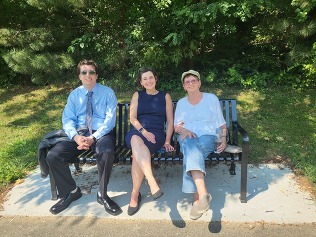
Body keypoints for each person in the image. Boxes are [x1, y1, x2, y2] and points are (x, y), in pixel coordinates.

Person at [46, 59, 122, 216]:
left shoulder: (108, 93)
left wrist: (93, 137)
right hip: (79, 133)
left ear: (97, 75)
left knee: (106, 152)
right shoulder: (74, 95)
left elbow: (109, 121)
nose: (88, 75)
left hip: (101, 133)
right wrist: (75, 137)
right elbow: (67, 119)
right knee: (53, 156)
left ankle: (102, 194)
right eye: (84, 72)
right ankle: (72, 191)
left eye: (92, 72)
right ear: (79, 76)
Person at [174, 70, 227, 220]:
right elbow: (177, 127)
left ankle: (199, 199)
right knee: (189, 143)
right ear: (184, 86)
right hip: (187, 135)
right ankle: (203, 196)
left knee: (191, 152)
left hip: (207, 137)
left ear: (199, 83)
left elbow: (222, 124)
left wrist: (223, 139)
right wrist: (185, 129)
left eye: (193, 81)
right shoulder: (182, 103)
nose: (190, 83)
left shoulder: (211, 99)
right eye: (187, 82)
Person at [125, 67, 174, 216]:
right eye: (144, 79)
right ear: (141, 82)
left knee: (137, 155)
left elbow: (171, 121)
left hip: (156, 135)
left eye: (150, 77)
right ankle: (151, 181)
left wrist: (166, 141)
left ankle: (134, 194)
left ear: (155, 78)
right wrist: (144, 132)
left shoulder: (165, 96)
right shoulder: (137, 95)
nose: (148, 81)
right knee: (135, 140)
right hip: (139, 131)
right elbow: (132, 118)